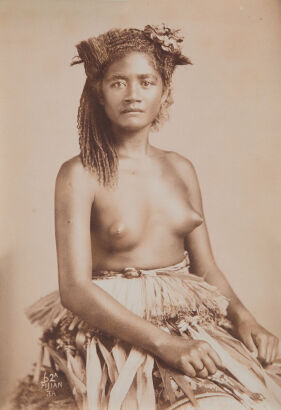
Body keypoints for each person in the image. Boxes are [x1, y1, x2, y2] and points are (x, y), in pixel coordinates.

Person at [12, 24, 281, 410]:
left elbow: (206, 269)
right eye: (118, 83)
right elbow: (74, 290)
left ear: (164, 92)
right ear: (98, 94)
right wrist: (162, 343)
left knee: (255, 400)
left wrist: (244, 319)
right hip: (108, 333)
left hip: (188, 321)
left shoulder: (182, 168)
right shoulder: (79, 174)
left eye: (146, 81)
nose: (134, 95)